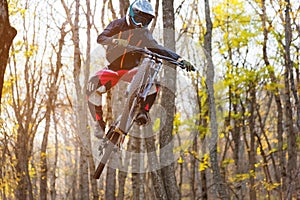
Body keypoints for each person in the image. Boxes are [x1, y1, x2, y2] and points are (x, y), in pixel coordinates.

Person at [87, 0, 194, 138]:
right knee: (91, 86)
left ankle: (143, 111)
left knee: (153, 84)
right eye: (138, 19)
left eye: (145, 22)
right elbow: (101, 38)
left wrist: (179, 59)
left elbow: (158, 48)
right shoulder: (117, 24)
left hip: (133, 70)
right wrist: (115, 40)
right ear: (131, 14)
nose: (140, 24)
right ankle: (100, 124)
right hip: (113, 68)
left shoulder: (144, 34)